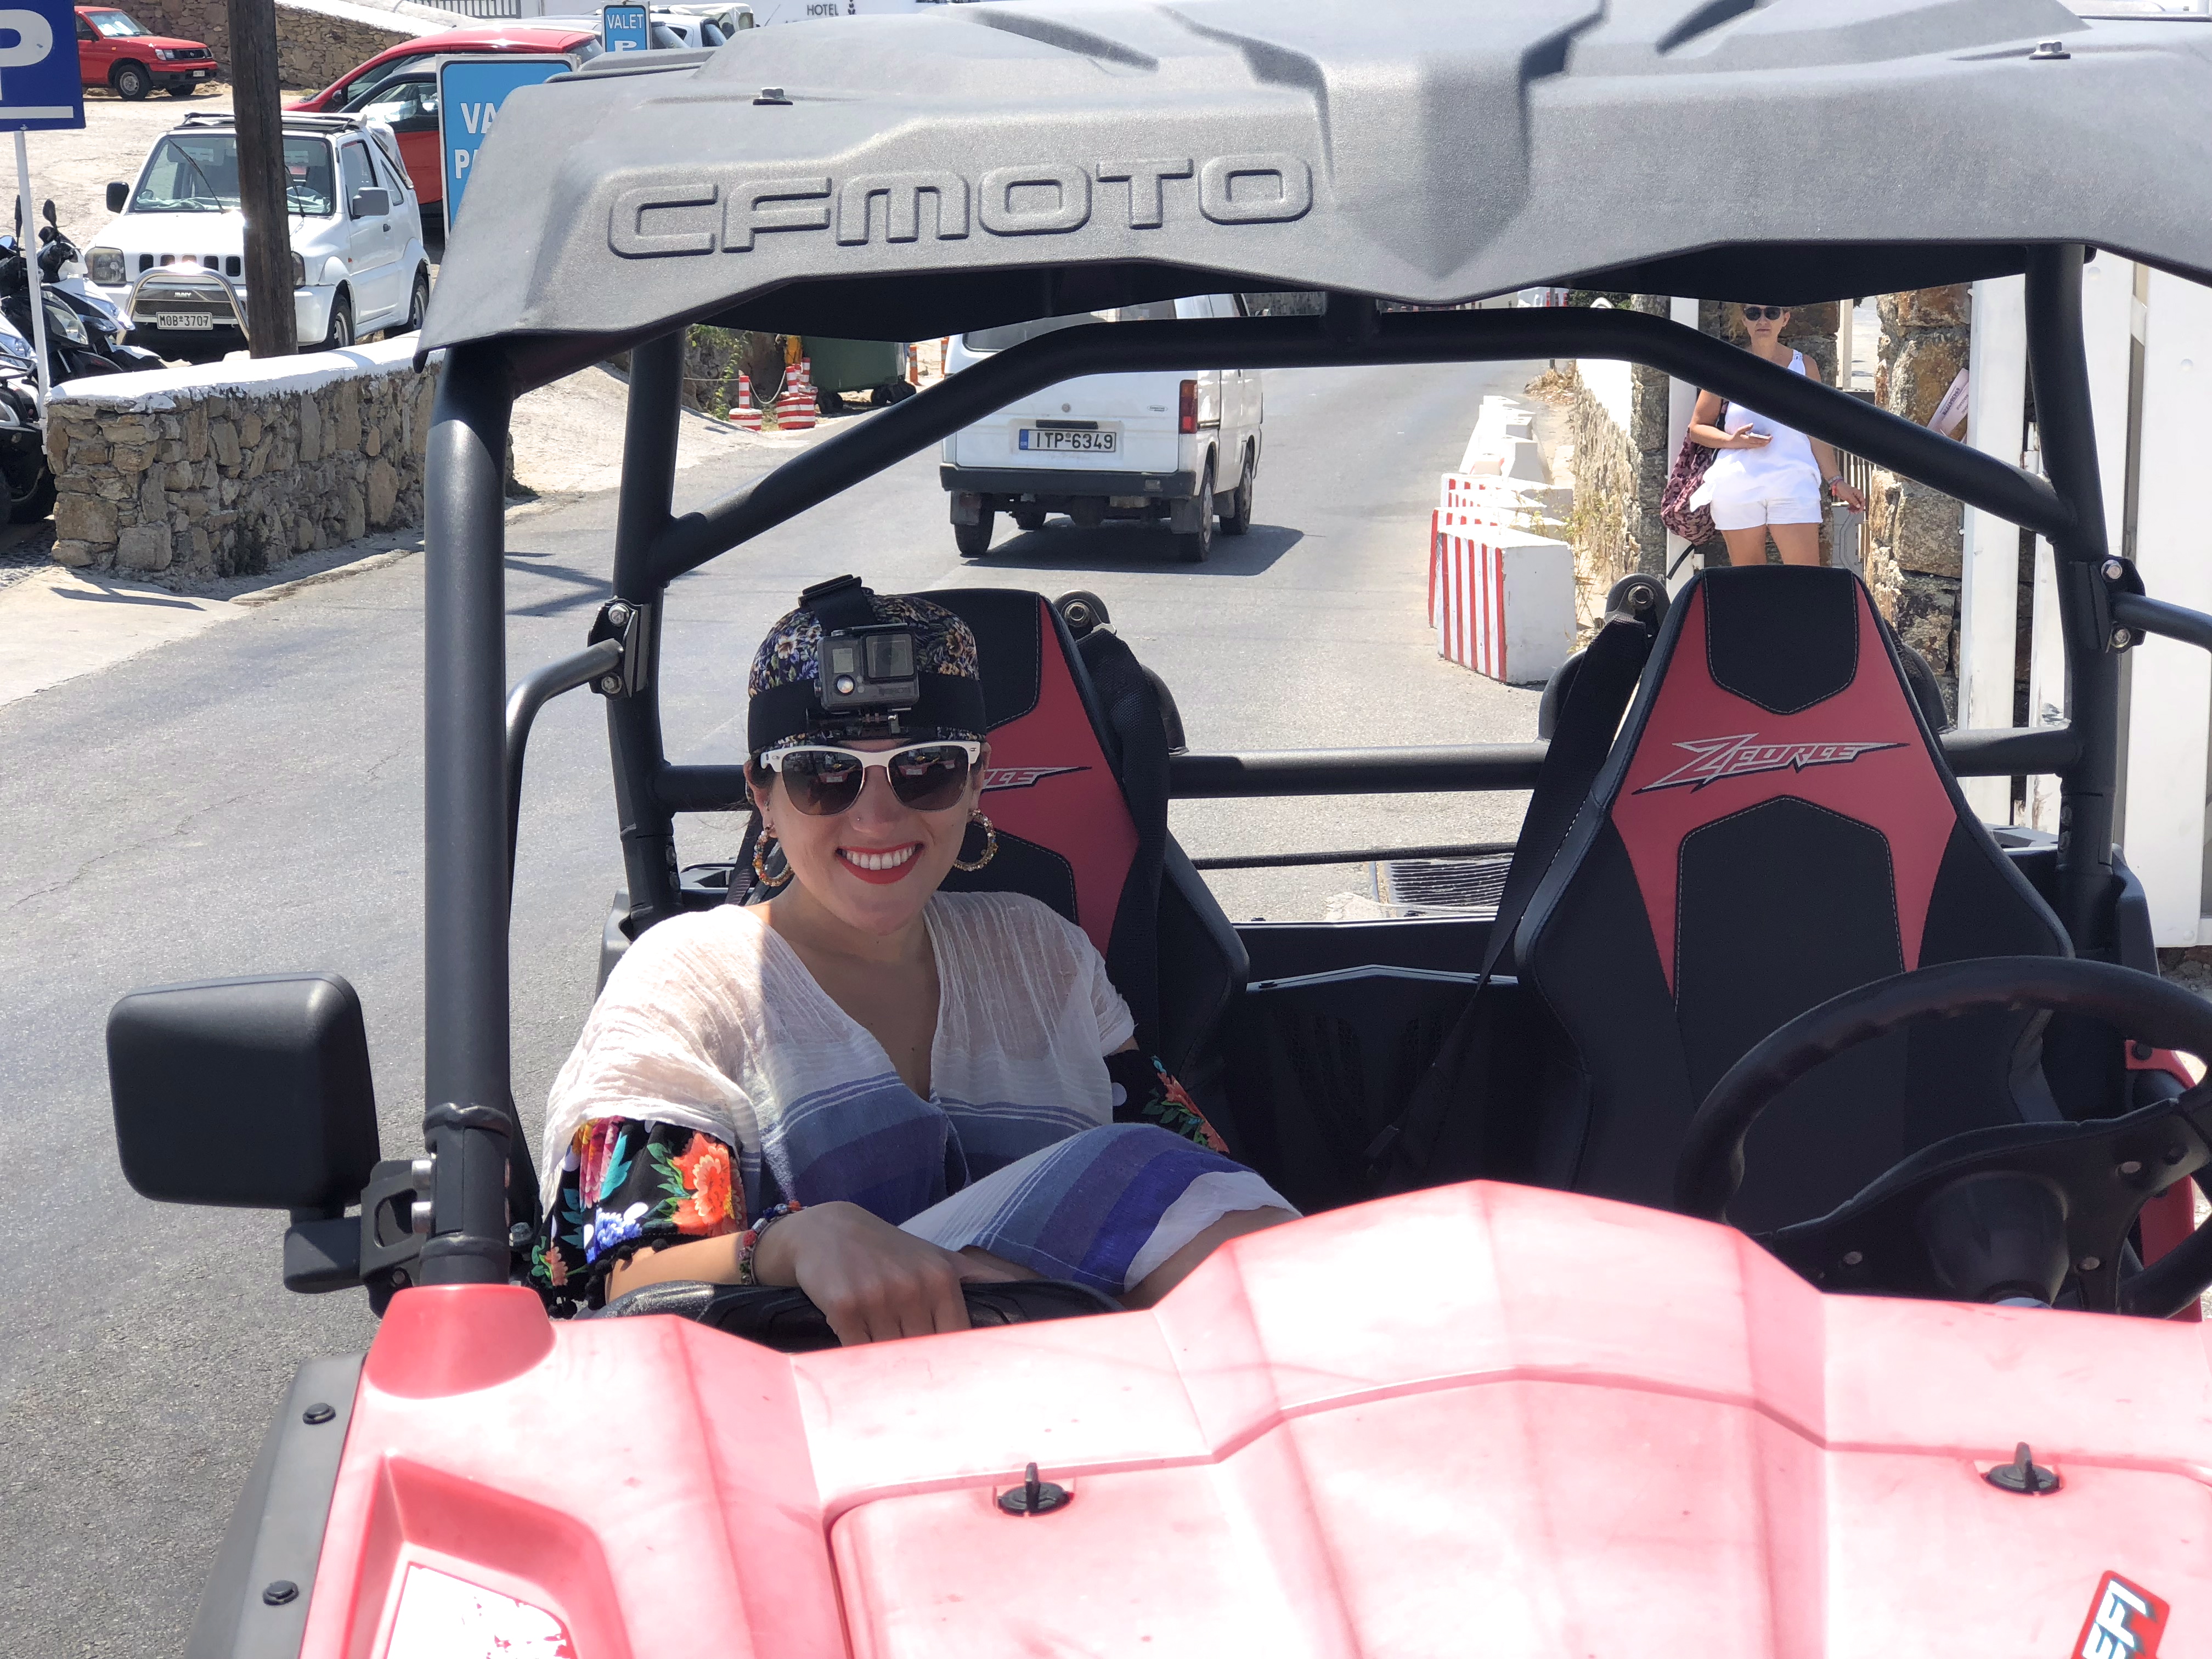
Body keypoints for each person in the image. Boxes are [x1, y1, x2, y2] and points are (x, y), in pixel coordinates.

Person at [528, 578, 1295, 1343]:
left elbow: (1199, 1176)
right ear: (762, 794)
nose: (877, 817)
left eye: (924, 768)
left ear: (975, 783)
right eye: (822, 773)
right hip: (802, 1422)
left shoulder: (1045, 955)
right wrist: (791, 1244)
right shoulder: (687, 985)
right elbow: (601, 1271)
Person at [1688, 303, 1868, 567]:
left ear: (1785, 319)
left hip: (1794, 482)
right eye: (1754, 314)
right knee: (1750, 582)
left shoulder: (1804, 366)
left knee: (1804, 579)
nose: (1763, 320)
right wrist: (1732, 441)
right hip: (1737, 485)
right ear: (1744, 320)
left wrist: (1836, 480)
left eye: (1771, 313)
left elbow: (1816, 430)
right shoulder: (1726, 366)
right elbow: (1697, 427)